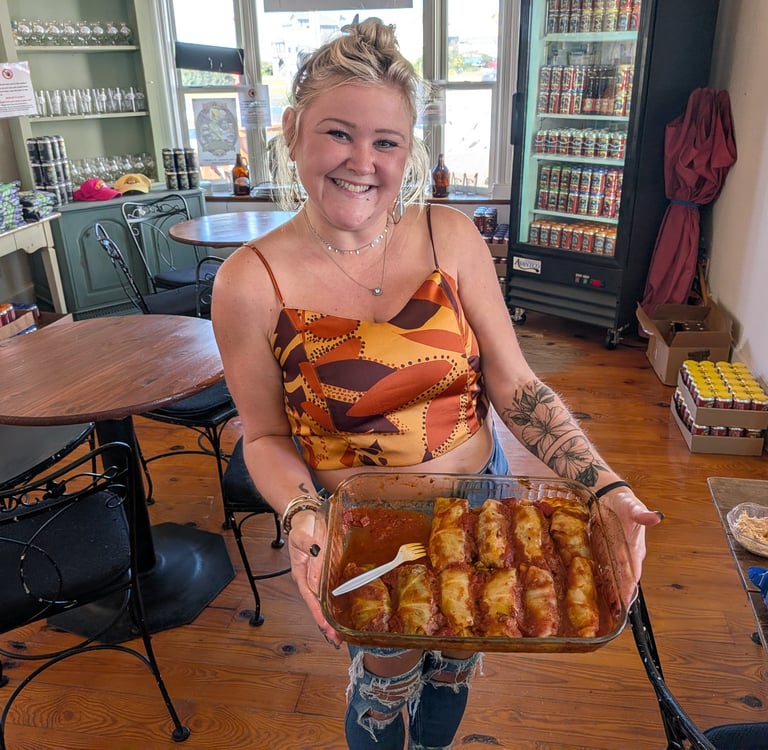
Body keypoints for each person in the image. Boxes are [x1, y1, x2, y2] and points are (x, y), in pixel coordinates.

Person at [211, 16, 662, 750]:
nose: (363, 161)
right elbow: (262, 436)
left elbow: (515, 385)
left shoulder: (449, 235)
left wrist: (605, 484)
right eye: (337, 133)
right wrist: (301, 518)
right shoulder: (248, 280)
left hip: (481, 496)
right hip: (365, 528)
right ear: (292, 130)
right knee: (385, 680)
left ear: (407, 150)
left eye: (386, 141)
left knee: (457, 659)